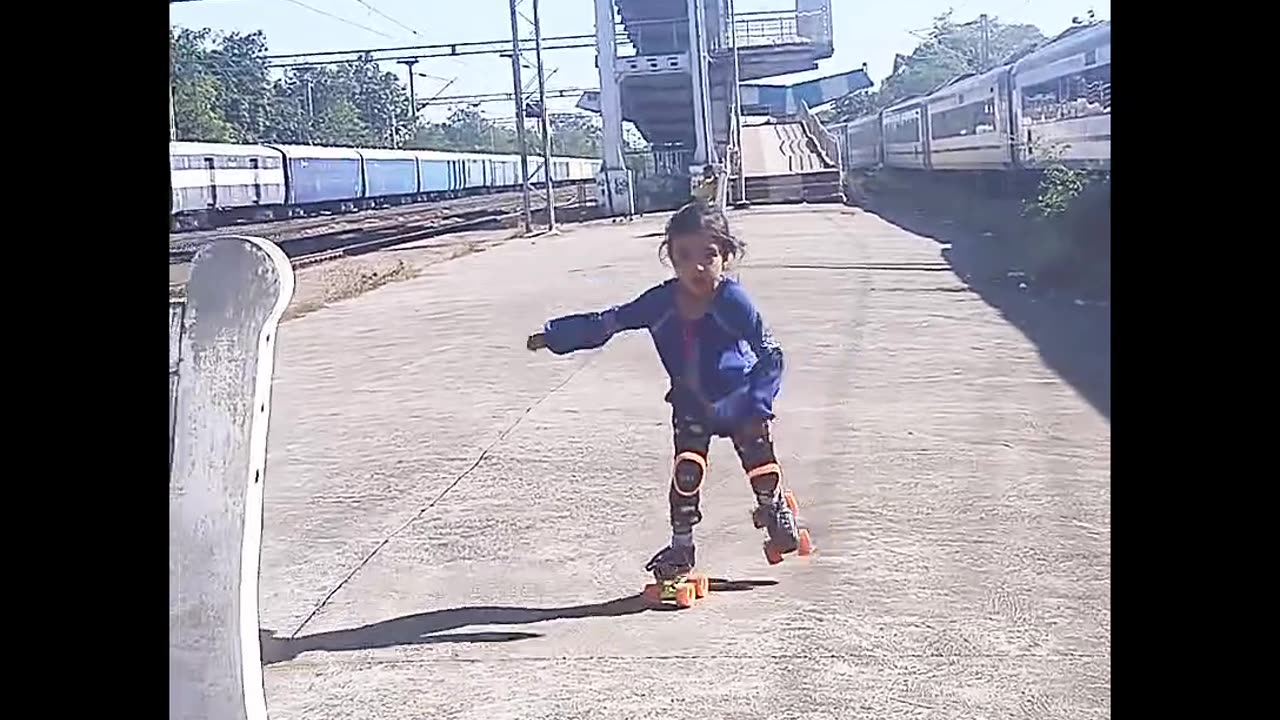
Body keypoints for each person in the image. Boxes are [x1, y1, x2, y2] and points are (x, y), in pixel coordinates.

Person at [526, 200, 800, 582]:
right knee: (687, 470)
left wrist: (759, 400)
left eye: (709, 255)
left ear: (727, 256)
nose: (697, 267)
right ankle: (681, 546)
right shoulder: (660, 302)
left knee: (760, 461)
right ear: (669, 257)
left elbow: (771, 353)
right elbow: (610, 321)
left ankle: (772, 507)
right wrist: (556, 336)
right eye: (684, 256)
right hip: (691, 403)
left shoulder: (733, 301)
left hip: (740, 396)